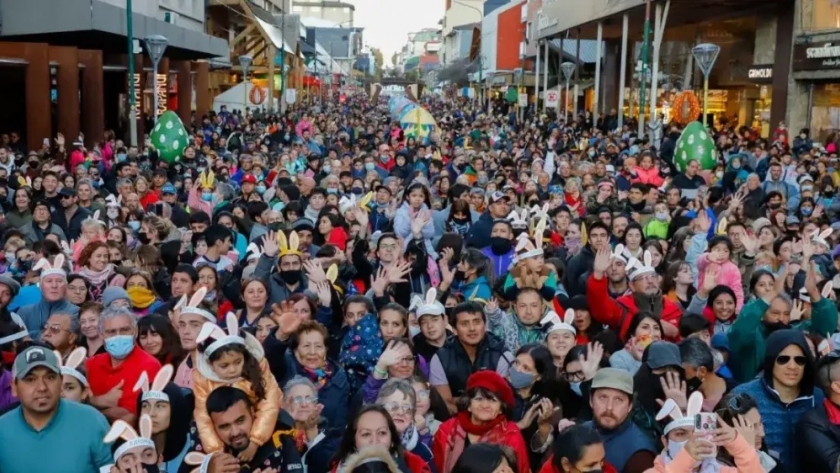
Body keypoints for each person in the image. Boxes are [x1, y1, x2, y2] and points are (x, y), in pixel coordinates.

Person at [0, 345, 112, 473]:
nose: (42, 387)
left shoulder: (92, 421)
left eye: (50, 378)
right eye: (30, 379)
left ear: (61, 382)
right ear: (14, 387)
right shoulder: (2, 429)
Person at [192, 313, 282, 456]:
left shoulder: (258, 368)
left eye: (237, 362)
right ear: (211, 364)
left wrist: (255, 441)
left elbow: (270, 404)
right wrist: (217, 451)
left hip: (264, 429)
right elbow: (203, 417)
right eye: (224, 365)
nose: (232, 369)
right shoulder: (203, 379)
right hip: (224, 438)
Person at [731, 329, 822, 466]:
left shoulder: (817, 397)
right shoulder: (742, 395)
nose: (792, 366)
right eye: (783, 359)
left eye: (800, 360)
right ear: (771, 361)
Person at [432, 370, 529, 473]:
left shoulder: (510, 434)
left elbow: (521, 470)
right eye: (479, 399)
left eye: (492, 400)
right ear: (469, 405)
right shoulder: (447, 429)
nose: (485, 405)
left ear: (501, 409)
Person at [429, 302, 512, 414]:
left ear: (485, 325)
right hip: (455, 421)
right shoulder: (441, 358)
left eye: (477, 322)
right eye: (464, 324)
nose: (472, 328)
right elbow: (445, 403)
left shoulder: (501, 353)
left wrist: (459, 400)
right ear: (454, 329)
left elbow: (502, 400)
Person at [198, 386, 303, 472]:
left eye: (240, 421)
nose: (235, 432)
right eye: (225, 426)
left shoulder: (281, 439)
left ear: (252, 413)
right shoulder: (204, 453)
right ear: (212, 426)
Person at [86, 306, 161, 422]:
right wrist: (100, 401)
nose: (118, 336)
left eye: (124, 330)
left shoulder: (149, 366)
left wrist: (87, 405)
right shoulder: (91, 364)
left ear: (135, 332)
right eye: (111, 332)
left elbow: (127, 418)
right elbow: (69, 402)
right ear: (101, 335)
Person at [583, 368, 657, 472]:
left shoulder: (640, 455)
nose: (609, 407)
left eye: (618, 400)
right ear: (591, 400)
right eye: (603, 398)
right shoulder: (580, 431)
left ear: (630, 406)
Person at [331, 404, 432, 473]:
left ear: (392, 439)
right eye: (366, 434)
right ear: (353, 440)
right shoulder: (336, 469)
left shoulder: (417, 467)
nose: (374, 440)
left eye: (382, 433)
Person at [18, 254, 79, 338]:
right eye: (49, 281)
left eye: (59, 281)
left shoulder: (76, 313)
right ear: (40, 285)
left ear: (66, 285)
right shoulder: (24, 312)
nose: (54, 285)